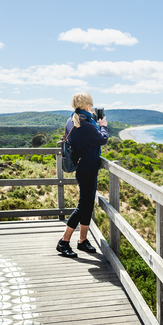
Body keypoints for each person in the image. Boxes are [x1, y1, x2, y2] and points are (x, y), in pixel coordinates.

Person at [56, 92, 109, 258]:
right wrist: (103, 126)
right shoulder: (85, 124)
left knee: (87, 205)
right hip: (87, 169)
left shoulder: (72, 120)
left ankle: (82, 240)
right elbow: (102, 139)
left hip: (84, 168)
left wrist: (93, 120)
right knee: (83, 206)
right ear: (88, 106)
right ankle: (63, 241)